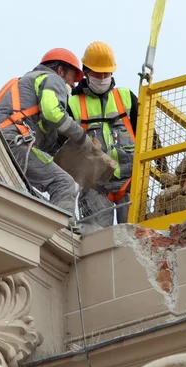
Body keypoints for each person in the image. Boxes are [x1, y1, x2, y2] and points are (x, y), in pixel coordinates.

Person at [0, 48, 100, 214]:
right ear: (60, 70)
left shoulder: (26, 83)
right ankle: (64, 234)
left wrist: (61, 140)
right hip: (15, 144)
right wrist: (81, 137)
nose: (74, 84)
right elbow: (52, 113)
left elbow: (42, 128)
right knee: (64, 184)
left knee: (29, 196)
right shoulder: (52, 79)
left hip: (0, 142)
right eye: (73, 77)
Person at [66, 41, 138, 232]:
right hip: (95, 186)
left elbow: (147, 134)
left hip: (130, 181)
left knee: (138, 237)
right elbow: (64, 148)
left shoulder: (126, 97)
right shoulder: (73, 103)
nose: (103, 77)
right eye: (98, 73)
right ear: (87, 72)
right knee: (95, 243)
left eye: (107, 73)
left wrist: (160, 165)